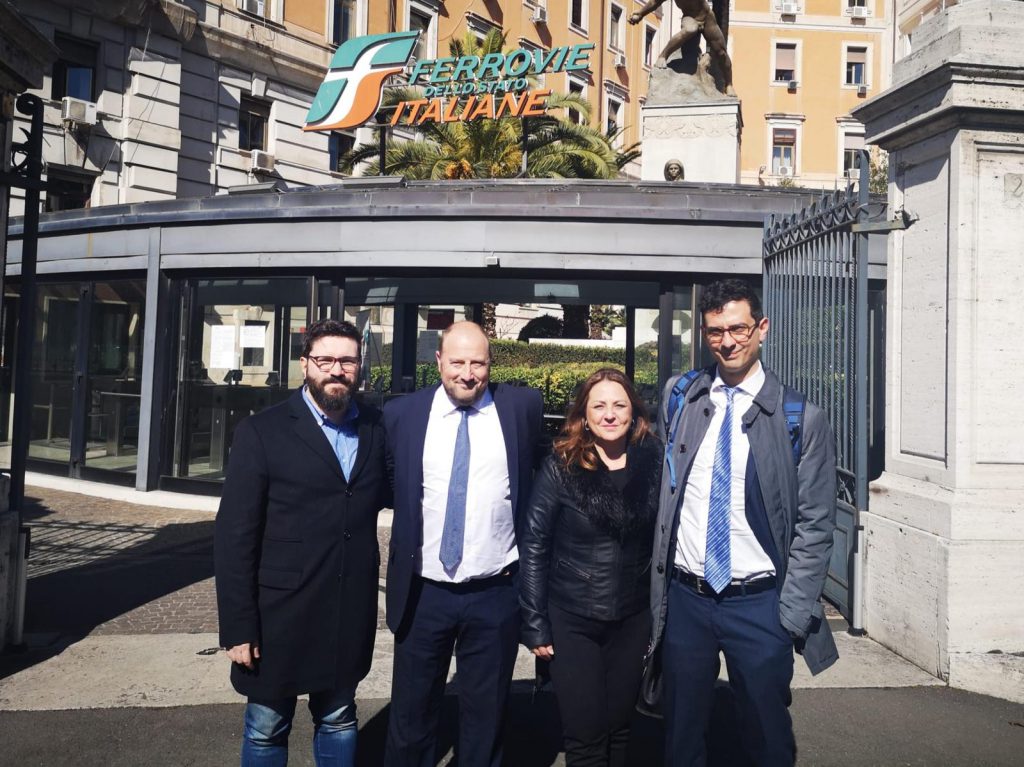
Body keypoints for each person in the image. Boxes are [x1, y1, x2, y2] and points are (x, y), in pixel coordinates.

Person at [650, 279, 838, 765]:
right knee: (682, 737)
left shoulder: (801, 418)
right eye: (716, 332)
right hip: (688, 600)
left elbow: (816, 526)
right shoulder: (680, 398)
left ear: (762, 328)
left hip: (759, 604)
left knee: (766, 738)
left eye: (738, 329)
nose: (728, 342)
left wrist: (789, 614)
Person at [215, 318, 390, 766]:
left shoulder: (375, 428)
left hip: (347, 608)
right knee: (267, 725)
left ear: (359, 366)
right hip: (279, 613)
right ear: (304, 364)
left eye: (347, 360)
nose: (336, 370)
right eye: (325, 359)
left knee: (339, 718)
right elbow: (235, 536)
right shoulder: (262, 431)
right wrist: (238, 627)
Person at [383, 321, 544, 767]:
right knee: (411, 719)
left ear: (491, 364)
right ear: (438, 361)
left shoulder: (522, 408)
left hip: (495, 592)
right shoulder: (402, 415)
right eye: (457, 362)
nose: (468, 374)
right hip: (423, 592)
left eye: (478, 363)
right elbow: (391, 482)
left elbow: (540, 474)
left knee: (485, 721)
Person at [520, 368, 662, 767]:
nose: (610, 414)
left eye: (619, 405)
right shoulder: (560, 466)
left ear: (634, 413)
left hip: (633, 617)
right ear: (583, 415)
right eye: (599, 406)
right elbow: (534, 544)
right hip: (572, 619)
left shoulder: (656, 462)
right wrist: (534, 622)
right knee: (585, 736)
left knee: (620, 728)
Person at [629, 0, 736, 96]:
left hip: (707, 18)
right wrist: (640, 14)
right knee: (690, 29)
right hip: (690, 17)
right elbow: (654, 2)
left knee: (721, 52)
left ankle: (729, 84)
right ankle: (663, 55)